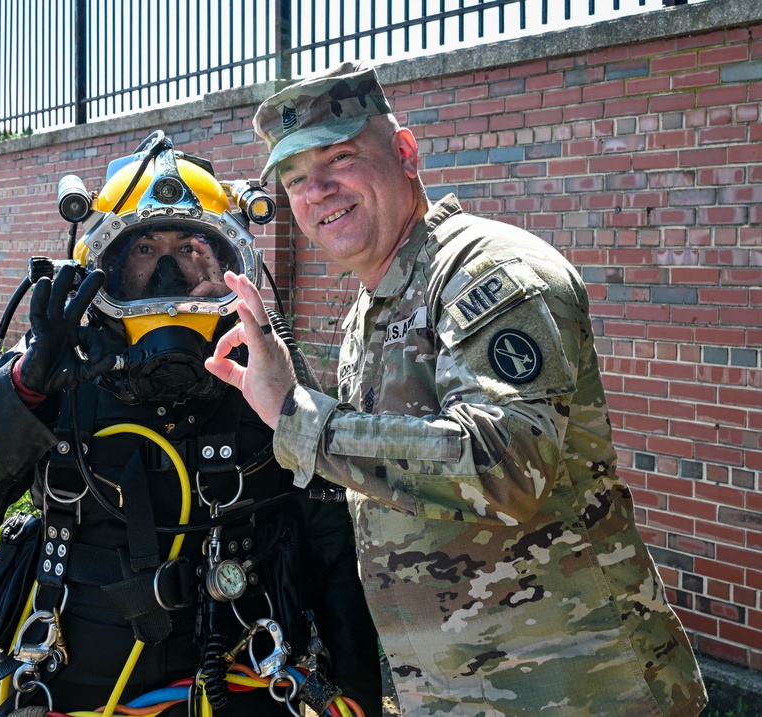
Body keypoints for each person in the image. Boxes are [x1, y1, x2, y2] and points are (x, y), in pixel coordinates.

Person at [204, 61, 709, 716]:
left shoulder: (485, 270)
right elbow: (393, 473)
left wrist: (298, 418)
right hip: (457, 691)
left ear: (406, 153)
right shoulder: (373, 309)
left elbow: (505, 461)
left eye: (339, 158)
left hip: (580, 690)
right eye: (295, 180)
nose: (316, 191)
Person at [0, 132, 383, 716]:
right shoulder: (56, 371)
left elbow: (332, 546)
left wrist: (358, 699)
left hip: (242, 664)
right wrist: (24, 386)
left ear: (230, 264)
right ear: (102, 267)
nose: (168, 273)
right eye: (144, 252)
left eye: (192, 248)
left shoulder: (266, 375)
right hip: (74, 670)